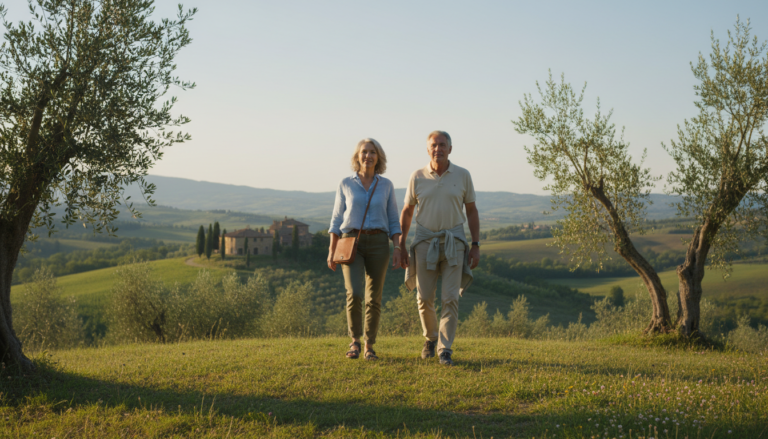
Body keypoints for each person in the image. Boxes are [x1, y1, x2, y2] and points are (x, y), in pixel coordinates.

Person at [399, 130, 480, 366]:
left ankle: (445, 349)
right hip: (424, 243)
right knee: (424, 298)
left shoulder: (463, 175)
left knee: (450, 298)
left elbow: (472, 210)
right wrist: (401, 245)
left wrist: (475, 245)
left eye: (442, 145)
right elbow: (407, 211)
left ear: (450, 149)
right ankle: (430, 339)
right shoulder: (417, 176)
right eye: (434, 145)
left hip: (454, 243)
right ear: (428, 149)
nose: (438, 149)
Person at [328, 138, 402, 360]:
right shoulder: (345, 184)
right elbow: (335, 220)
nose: (368, 156)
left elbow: (393, 220)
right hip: (351, 242)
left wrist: (397, 247)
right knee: (355, 292)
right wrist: (331, 251)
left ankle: (369, 345)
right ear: (357, 156)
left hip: (379, 243)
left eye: (372, 152)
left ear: (378, 157)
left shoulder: (386, 185)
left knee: (374, 297)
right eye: (364, 152)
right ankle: (355, 341)